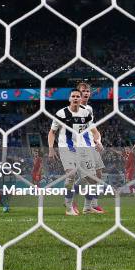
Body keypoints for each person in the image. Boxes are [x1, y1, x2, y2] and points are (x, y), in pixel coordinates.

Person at [48, 89, 102, 215]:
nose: (76, 98)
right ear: (69, 99)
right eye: (73, 96)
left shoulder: (86, 113)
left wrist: (98, 141)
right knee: (71, 174)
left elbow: (94, 131)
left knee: (93, 179)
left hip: (84, 149)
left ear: (80, 98)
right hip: (67, 148)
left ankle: (87, 208)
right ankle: (68, 208)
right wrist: (51, 148)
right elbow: (52, 132)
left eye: (78, 96)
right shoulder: (61, 113)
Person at [76, 82, 105, 213]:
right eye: (83, 91)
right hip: (82, 147)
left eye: (88, 91)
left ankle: (93, 205)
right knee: (89, 177)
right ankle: (72, 199)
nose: (86, 93)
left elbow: (92, 128)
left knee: (98, 173)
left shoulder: (90, 109)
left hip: (91, 145)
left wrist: (98, 141)